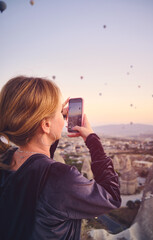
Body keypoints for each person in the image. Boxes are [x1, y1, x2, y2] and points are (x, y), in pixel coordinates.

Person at [0, 76, 121, 240]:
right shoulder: (61, 177)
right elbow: (112, 197)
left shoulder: (7, 158)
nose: (64, 119)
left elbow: (40, 162)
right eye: (59, 112)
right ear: (46, 125)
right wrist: (93, 140)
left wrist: (54, 119)